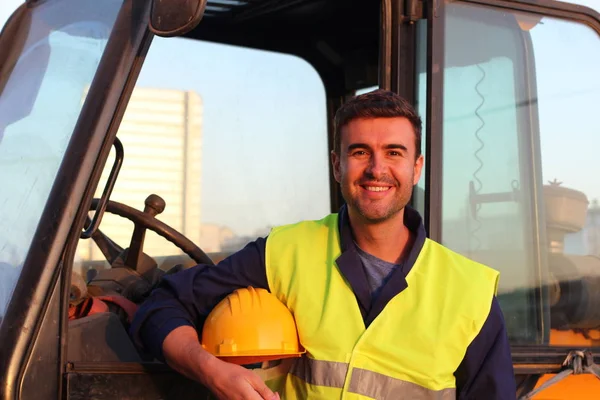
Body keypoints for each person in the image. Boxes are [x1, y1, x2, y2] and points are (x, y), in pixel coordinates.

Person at [130, 89, 517, 399]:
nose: (377, 169)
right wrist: (211, 371)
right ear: (337, 165)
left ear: (416, 168)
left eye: (394, 153)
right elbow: (163, 305)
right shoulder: (286, 252)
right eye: (360, 151)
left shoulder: (471, 294)